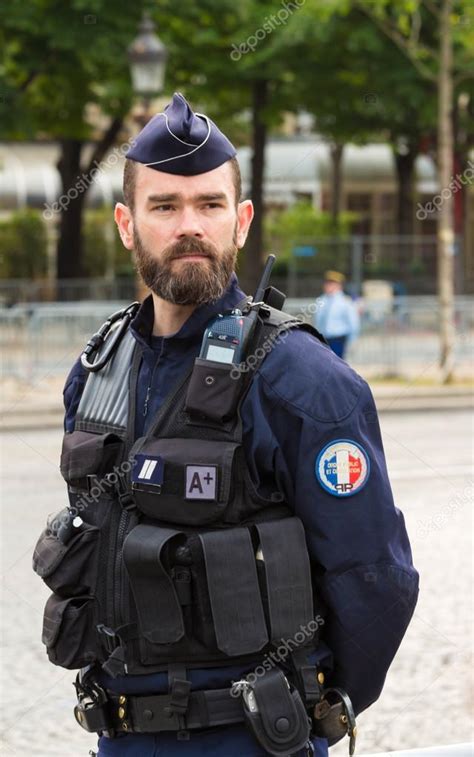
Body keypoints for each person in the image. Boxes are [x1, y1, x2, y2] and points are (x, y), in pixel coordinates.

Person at [33, 93, 418, 757]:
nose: (190, 225)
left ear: (241, 221)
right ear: (126, 224)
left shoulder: (302, 380)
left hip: (252, 739)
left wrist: (311, 704)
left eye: (210, 205)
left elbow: (374, 578)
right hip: (118, 739)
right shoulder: (96, 369)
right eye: (165, 206)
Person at [313, 271, 360, 359]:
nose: (328, 286)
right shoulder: (320, 300)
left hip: (338, 339)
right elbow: (317, 321)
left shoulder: (346, 302)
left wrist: (352, 341)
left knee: (336, 366)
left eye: (332, 283)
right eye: (327, 283)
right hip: (323, 339)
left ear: (339, 286)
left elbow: (353, 323)